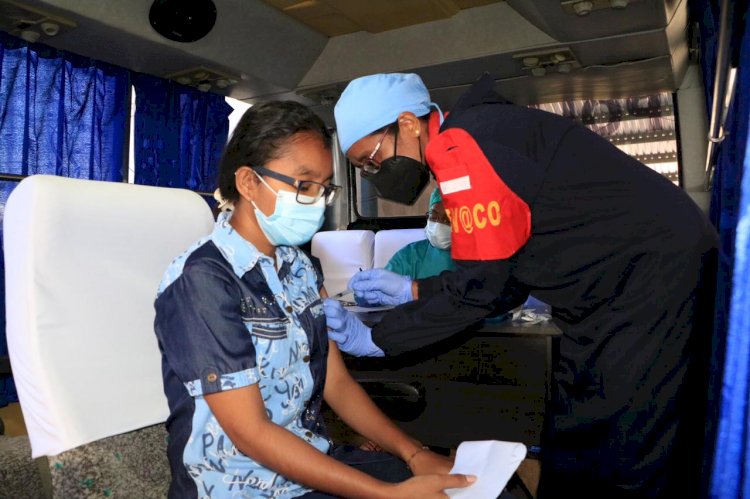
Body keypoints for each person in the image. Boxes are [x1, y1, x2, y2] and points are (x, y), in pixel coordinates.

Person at [325, 73, 718, 498]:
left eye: (373, 159)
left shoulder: (462, 147)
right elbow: (504, 275)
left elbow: (484, 287)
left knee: (630, 438)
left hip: (647, 282)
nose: (375, 173)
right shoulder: (477, 136)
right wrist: (413, 291)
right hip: (620, 287)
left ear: (406, 124)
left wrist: (377, 338)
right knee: (575, 429)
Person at [153, 101, 474, 499]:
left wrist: (414, 454)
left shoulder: (299, 266)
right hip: (237, 486)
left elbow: (336, 382)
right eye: (304, 186)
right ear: (249, 183)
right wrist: (386, 495)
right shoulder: (204, 281)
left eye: (324, 188)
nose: (318, 202)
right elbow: (250, 433)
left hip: (311, 461)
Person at [385, 187, 456, 280]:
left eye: (447, 220)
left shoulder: (476, 261)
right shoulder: (409, 256)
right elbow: (384, 286)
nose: (439, 224)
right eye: (433, 217)